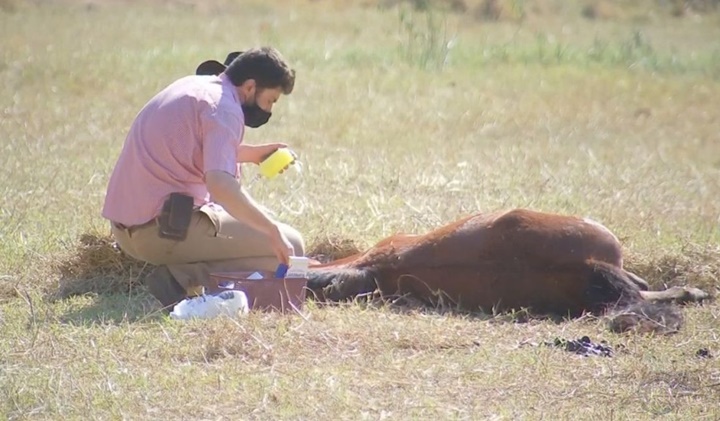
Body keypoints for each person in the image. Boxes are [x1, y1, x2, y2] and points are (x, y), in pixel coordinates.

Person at [102, 47, 305, 311]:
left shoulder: (197, 87)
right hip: (158, 233)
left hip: (126, 231)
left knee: (263, 224)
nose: (268, 110)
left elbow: (195, 149)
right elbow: (220, 185)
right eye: (270, 101)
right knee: (291, 245)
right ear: (250, 86)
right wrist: (271, 230)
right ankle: (180, 277)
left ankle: (179, 271)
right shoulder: (225, 109)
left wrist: (253, 154)